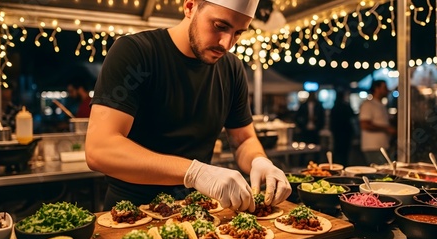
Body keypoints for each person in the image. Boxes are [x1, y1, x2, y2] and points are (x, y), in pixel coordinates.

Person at [85, 0, 291, 212]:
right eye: (220, 26)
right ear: (190, 6)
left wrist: (260, 161)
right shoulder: (137, 52)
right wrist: (195, 173)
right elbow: (100, 149)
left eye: (238, 33)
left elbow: (243, 140)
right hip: (132, 210)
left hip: (198, 209)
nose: (226, 43)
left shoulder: (232, 68)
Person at [359, 80, 396, 165]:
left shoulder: (381, 105)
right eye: (384, 88)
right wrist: (387, 129)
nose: (387, 90)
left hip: (382, 145)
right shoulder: (368, 104)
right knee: (379, 175)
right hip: (372, 146)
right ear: (376, 89)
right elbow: (364, 125)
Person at [330, 90, 355, 166]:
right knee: (345, 152)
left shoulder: (334, 107)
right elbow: (352, 115)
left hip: (337, 132)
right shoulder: (345, 106)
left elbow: (331, 120)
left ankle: (335, 166)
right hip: (345, 132)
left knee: (337, 150)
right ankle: (343, 166)